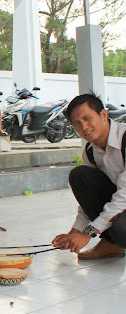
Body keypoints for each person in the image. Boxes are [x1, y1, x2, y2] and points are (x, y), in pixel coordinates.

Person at [52, 93, 126, 259]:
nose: (84, 127)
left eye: (87, 118)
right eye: (77, 123)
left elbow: (124, 196)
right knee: (80, 176)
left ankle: (114, 241)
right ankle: (111, 245)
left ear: (104, 114)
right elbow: (89, 198)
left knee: (122, 229)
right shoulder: (91, 151)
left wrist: (87, 233)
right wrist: (74, 232)